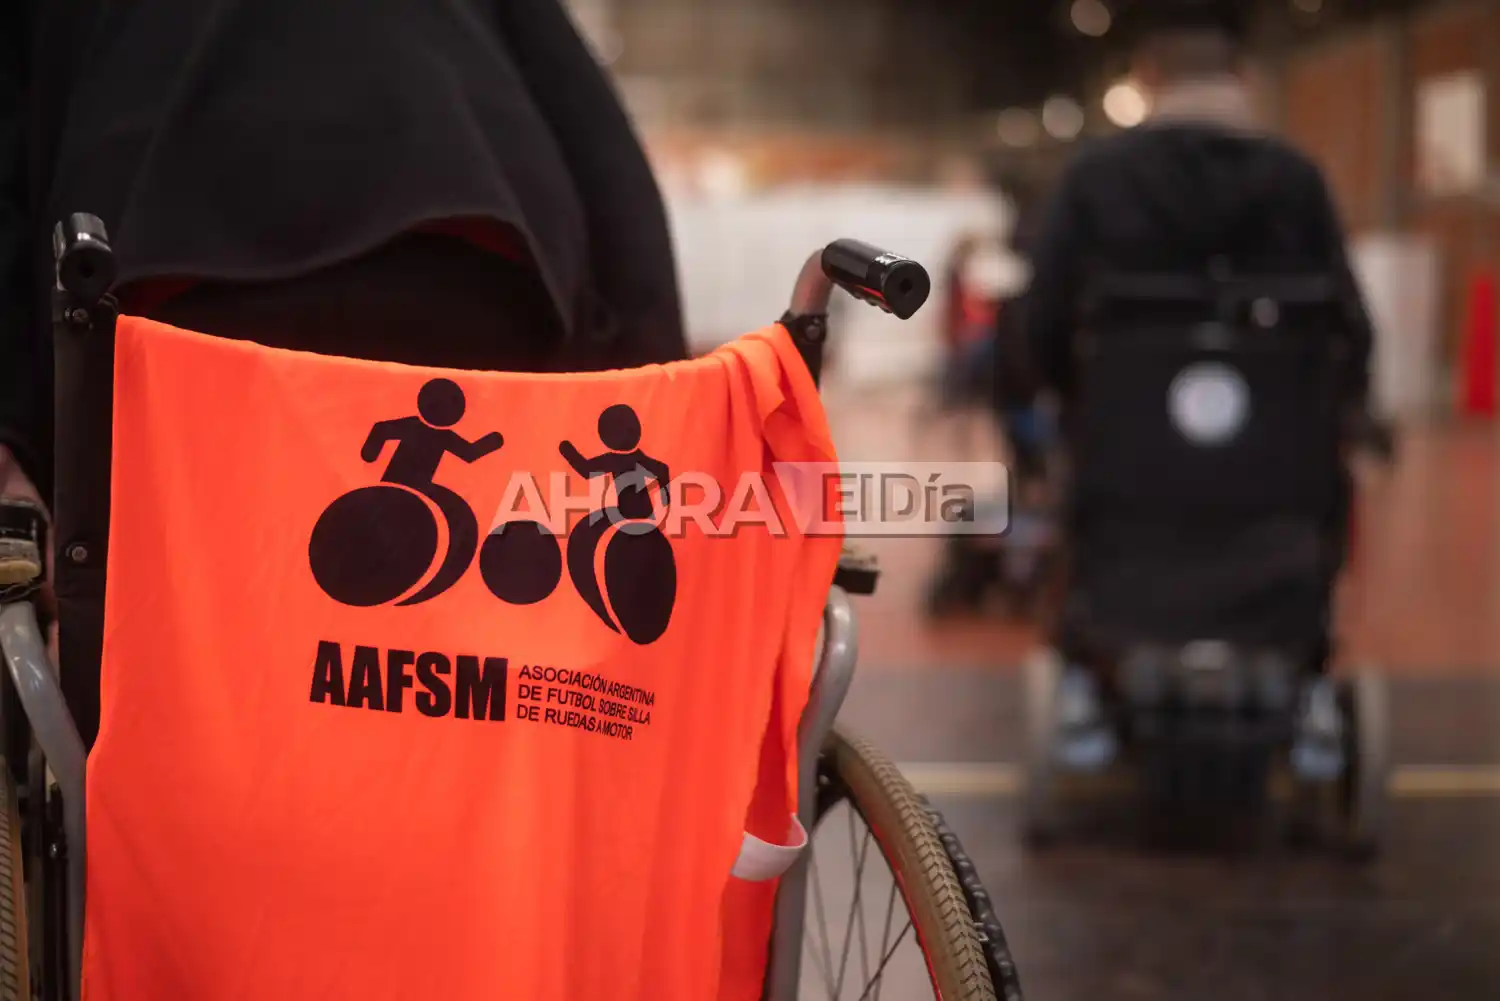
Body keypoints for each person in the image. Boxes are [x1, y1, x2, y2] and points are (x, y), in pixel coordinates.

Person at [0, 0, 688, 744]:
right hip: (471, 244)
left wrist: (24, 445)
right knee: (457, 651)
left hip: (169, 273)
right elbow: (597, 139)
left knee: (190, 634)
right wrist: (650, 379)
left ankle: (194, 791)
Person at [1015, 0, 1377, 763]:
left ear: (1148, 77)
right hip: (1277, 480)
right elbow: (1351, 330)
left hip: (1128, 475)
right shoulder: (1296, 182)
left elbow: (1038, 327)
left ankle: (1088, 690)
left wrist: (1054, 399)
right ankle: (1306, 691)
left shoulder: (1095, 182)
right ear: (1241, 76)